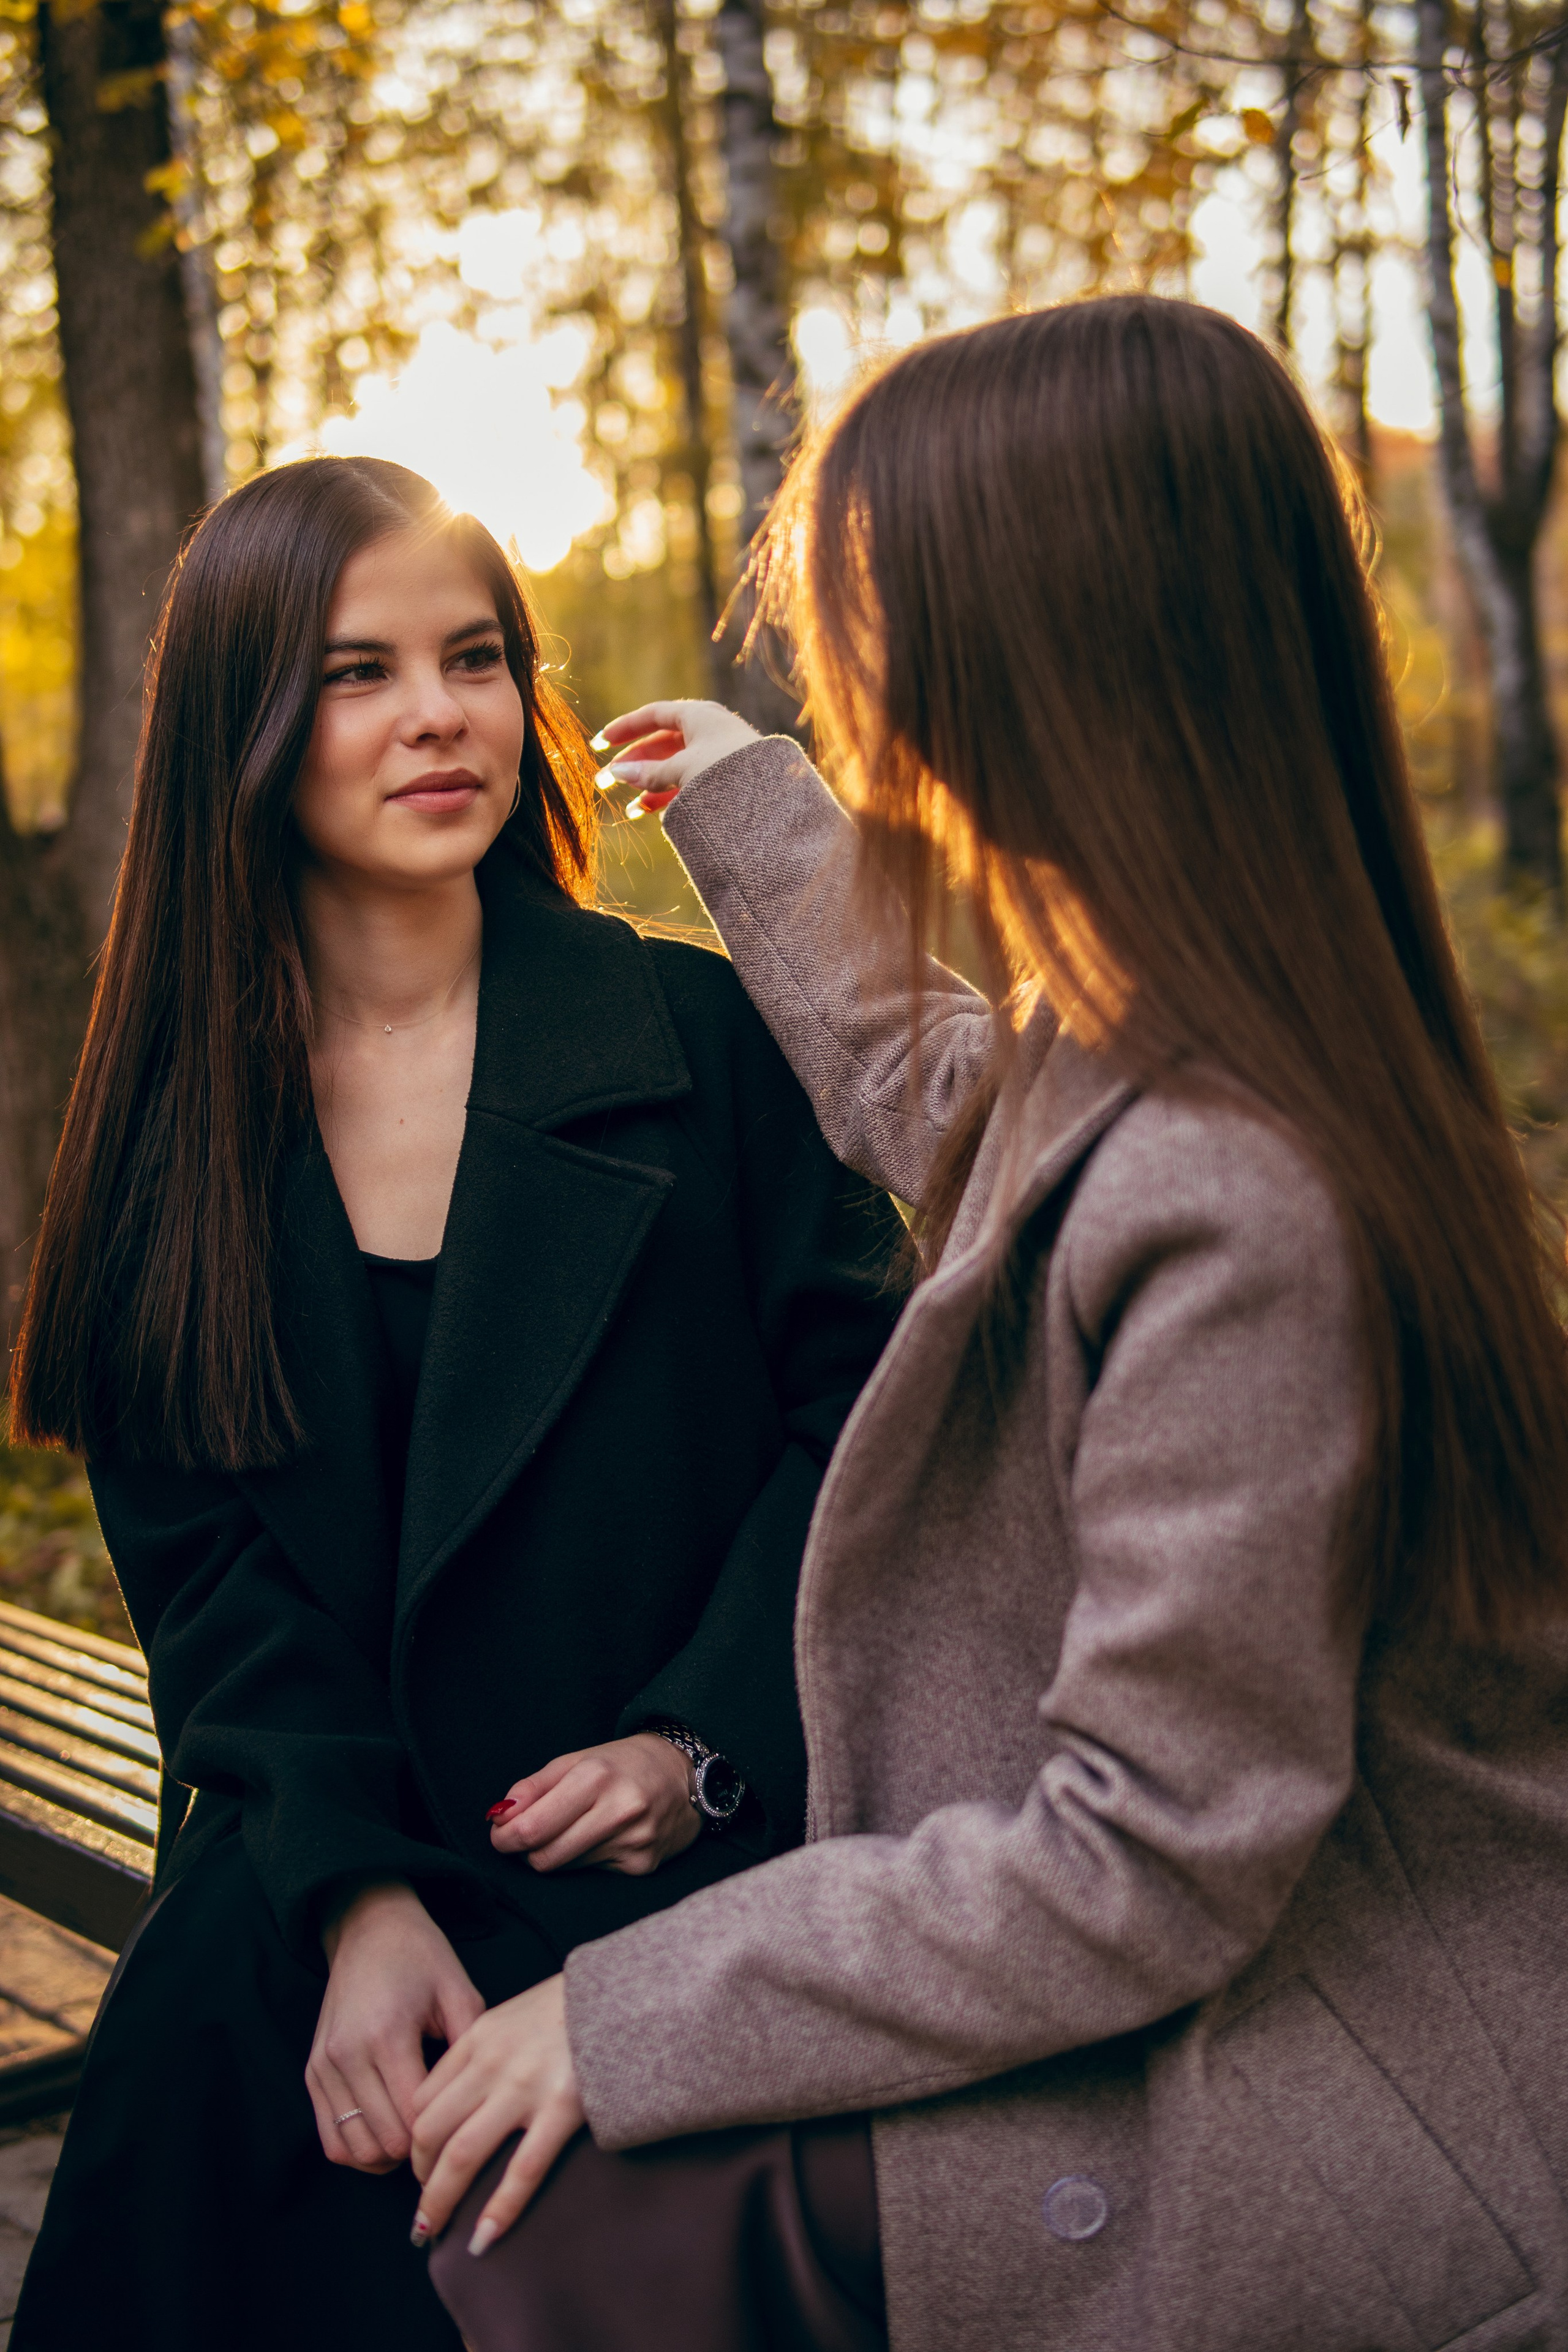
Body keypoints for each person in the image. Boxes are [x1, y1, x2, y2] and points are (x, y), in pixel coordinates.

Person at [407, 296, 1568, 2352]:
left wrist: (630, 2008)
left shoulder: (1245, 1190)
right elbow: (960, 1103)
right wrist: (757, 808)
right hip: (1267, 1962)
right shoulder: (1184, 1027)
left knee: (554, 2229)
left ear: (1046, 655)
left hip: (1352, 2077)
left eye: (870, 619)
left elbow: (1145, 1856)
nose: (849, 682)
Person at [4, 456, 905, 2352]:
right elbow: (209, 1578)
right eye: (357, 673)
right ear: (243, 732)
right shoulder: (184, 1118)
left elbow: (876, 1436)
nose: (441, 715)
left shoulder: (703, 1042)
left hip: (671, 1868)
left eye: (477, 658)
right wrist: (350, 1904)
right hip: (320, 1860)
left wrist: (701, 1748)